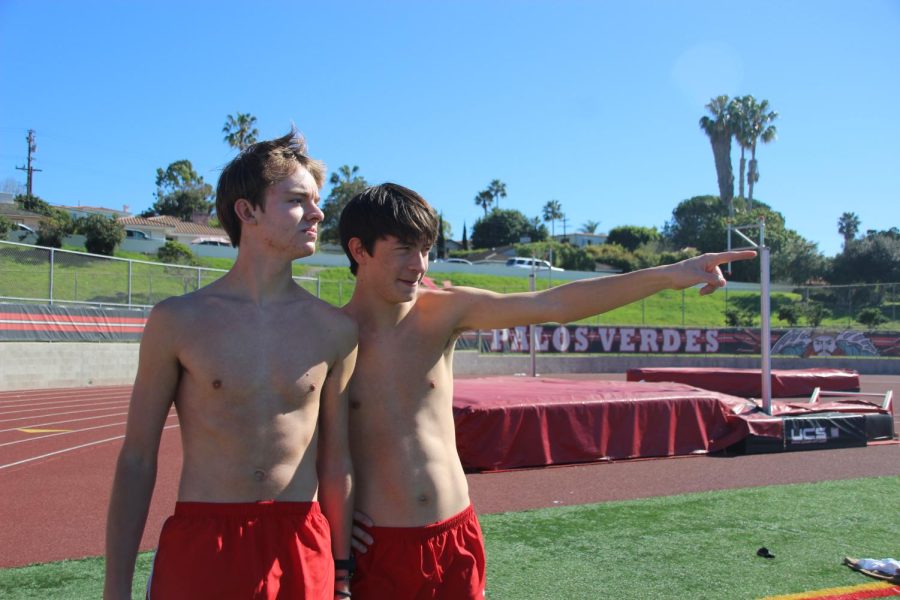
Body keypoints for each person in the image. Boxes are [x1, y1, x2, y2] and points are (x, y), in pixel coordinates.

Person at [338, 183, 756, 599]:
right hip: (382, 548)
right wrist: (332, 521)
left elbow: (554, 304)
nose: (420, 264)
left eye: (426, 249)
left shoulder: (442, 312)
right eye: (404, 250)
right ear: (360, 250)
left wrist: (668, 274)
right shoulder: (328, 336)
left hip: (457, 534)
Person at [104, 131, 358, 600]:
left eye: (317, 201)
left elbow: (336, 459)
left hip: (300, 543)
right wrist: (116, 586)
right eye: (298, 200)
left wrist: (341, 572)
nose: (318, 214)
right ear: (247, 211)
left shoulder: (335, 330)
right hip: (206, 542)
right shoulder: (177, 321)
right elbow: (137, 459)